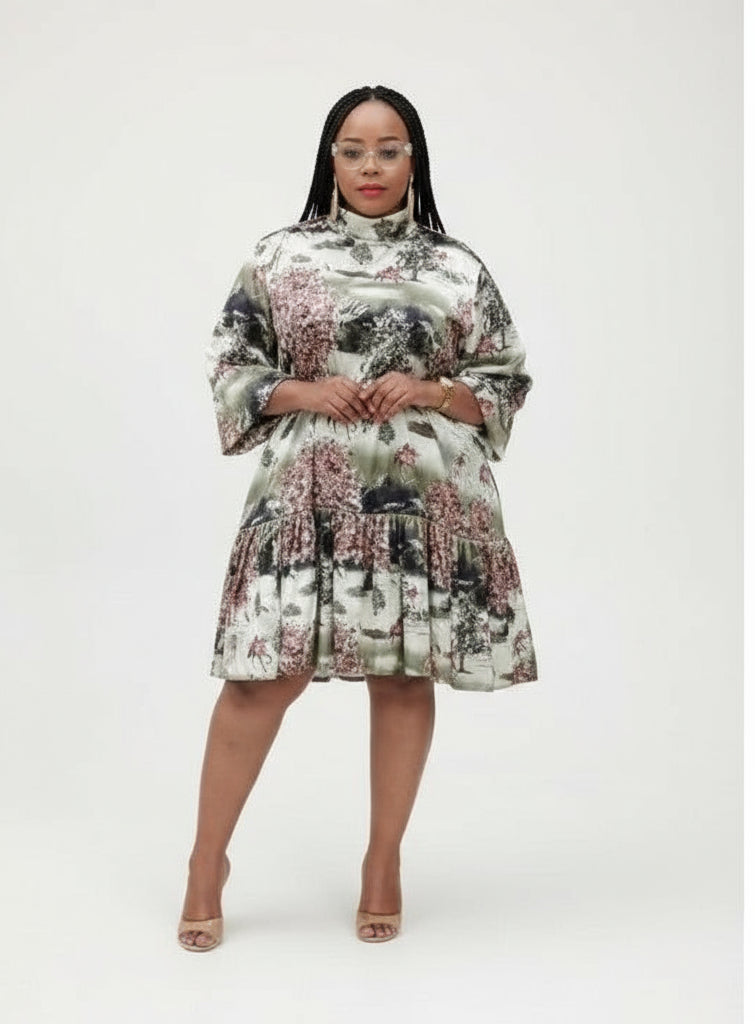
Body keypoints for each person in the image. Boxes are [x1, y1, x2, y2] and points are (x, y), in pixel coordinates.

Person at [178, 84, 538, 951]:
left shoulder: (456, 267)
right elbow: (231, 365)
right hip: (306, 493)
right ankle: (205, 861)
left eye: (388, 149)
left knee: (403, 676)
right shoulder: (280, 256)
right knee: (260, 677)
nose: (370, 166)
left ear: (414, 159)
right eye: (352, 150)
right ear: (329, 160)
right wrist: (306, 391)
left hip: (426, 497)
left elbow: (503, 379)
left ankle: (383, 859)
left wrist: (432, 389)